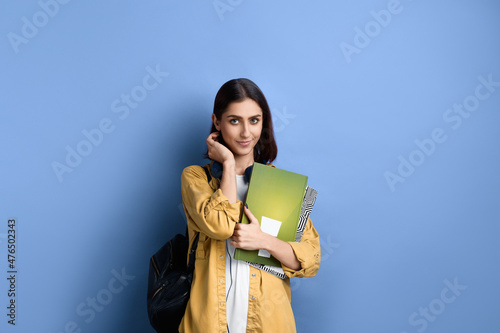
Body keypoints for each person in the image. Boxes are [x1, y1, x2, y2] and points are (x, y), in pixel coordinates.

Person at [179, 78, 320, 333]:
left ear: (263, 122)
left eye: (254, 120)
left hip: (268, 323)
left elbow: (310, 261)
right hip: (209, 323)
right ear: (216, 122)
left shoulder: (283, 186)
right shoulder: (196, 178)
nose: (246, 133)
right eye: (234, 120)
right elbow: (221, 226)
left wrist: (263, 240)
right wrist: (229, 164)